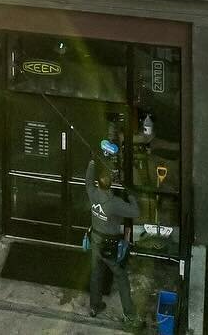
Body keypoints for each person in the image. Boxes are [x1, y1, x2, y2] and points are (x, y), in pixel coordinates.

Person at [86, 140, 141, 329]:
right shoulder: (115, 203)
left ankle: (94, 306)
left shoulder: (93, 194)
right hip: (110, 246)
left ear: (99, 185)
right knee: (121, 277)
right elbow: (135, 212)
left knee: (95, 274)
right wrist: (130, 193)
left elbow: (88, 180)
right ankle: (129, 314)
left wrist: (93, 161)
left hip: (95, 241)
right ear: (110, 186)